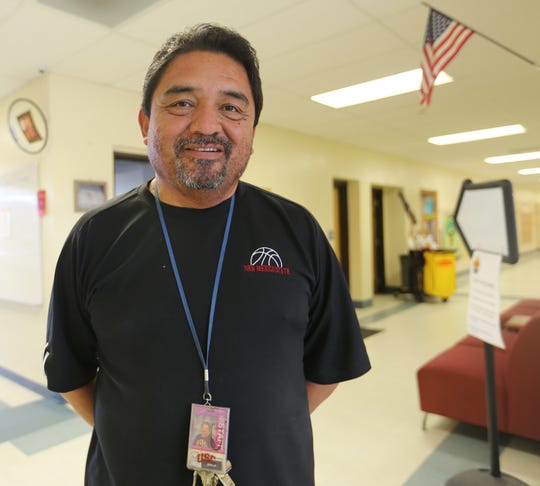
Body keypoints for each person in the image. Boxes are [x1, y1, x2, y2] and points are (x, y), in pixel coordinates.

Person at [44, 23, 371, 485]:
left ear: (251, 128)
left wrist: (266, 428)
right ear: (145, 123)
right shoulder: (95, 237)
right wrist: (133, 434)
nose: (206, 125)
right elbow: (71, 373)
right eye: (181, 103)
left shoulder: (296, 230)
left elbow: (328, 366)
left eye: (231, 107)